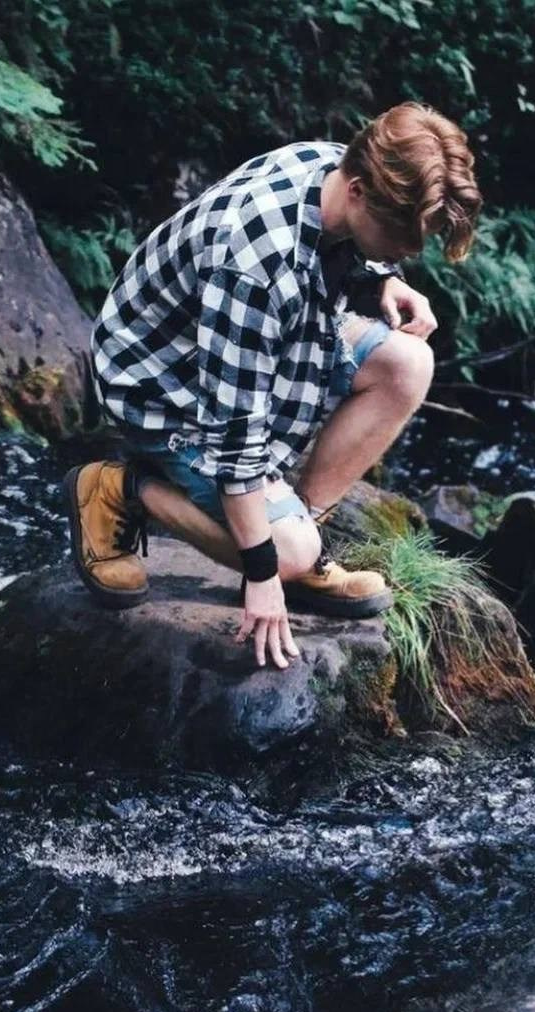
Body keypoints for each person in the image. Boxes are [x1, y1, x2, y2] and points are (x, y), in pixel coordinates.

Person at [65, 101, 481, 669]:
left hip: (254, 343)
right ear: (358, 191)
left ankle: (298, 538)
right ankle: (123, 487)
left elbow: (360, 249)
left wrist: (385, 275)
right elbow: (236, 436)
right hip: (163, 383)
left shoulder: (341, 165)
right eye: (403, 235)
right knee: (280, 551)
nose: (413, 249)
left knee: (409, 366)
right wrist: (263, 575)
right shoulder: (256, 263)